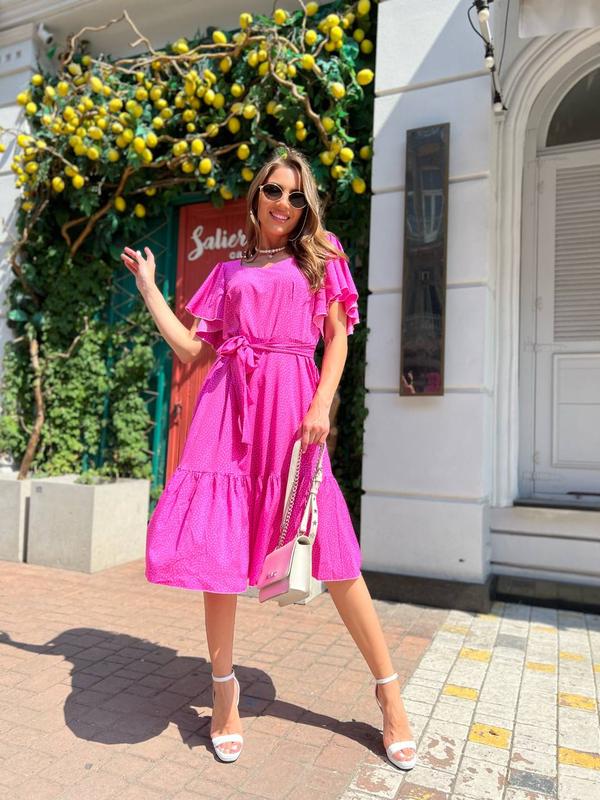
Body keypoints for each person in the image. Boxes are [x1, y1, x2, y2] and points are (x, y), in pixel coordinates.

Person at [120, 146, 417, 769]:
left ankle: (389, 692)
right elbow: (193, 353)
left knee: (335, 554)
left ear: (306, 206)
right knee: (218, 554)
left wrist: (322, 405)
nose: (284, 203)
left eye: (296, 195)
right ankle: (222, 692)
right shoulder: (229, 272)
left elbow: (336, 341)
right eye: (274, 190)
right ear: (256, 196)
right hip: (228, 413)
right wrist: (149, 289)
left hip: (293, 407)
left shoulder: (321, 254)